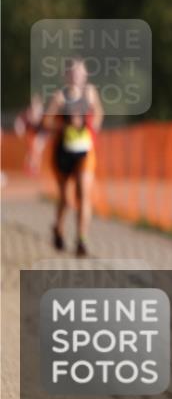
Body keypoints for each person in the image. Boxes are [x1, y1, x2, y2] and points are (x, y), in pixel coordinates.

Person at [43, 59, 104, 257]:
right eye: (72, 73)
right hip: (62, 152)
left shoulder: (90, 93)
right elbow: (46, 122)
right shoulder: (59, 97)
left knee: (84, 194)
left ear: (85, 75)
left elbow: (99, 113)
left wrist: (92, 125)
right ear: (66, 76)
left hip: (85, 151)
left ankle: (81, 240)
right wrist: (66, 125)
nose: (76, 76)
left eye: (80, 72)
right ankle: (58, 229)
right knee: (66, 199)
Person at [14, 93, 48, 175]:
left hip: (40, 134)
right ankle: (29, 168)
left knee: (37, 150)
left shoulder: (43, 112)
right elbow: (19, 122)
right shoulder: (27, 112)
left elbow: (45, 126)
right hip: (30, 134)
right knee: (31, 151)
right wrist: (19, 129)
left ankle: (35, 168)